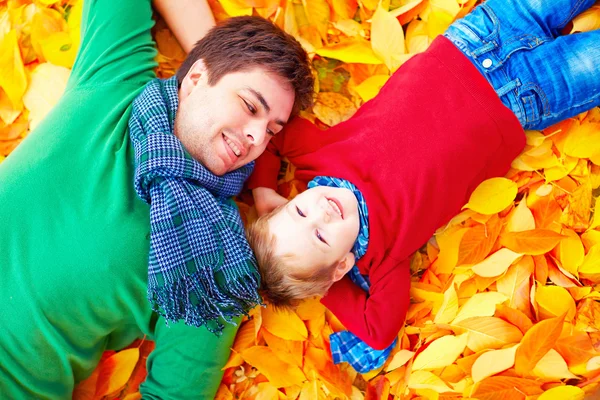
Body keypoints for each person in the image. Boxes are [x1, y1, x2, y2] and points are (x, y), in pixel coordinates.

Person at [245, 0, 600, 371]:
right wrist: (319, 283)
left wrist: (262, 190)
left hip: (473, 41)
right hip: (522, 96)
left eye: (299, 210)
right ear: (341, 266)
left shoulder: (317, 159)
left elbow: (271, 136)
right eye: (320, 237)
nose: (320, 212)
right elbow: (377, 330)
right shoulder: (382, 259)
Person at [0, 0, 313, 398]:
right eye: (250, 106)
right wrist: (214, 47)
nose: (256, 138)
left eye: (272, 130)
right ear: (196, 78)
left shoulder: (215, 256)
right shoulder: (116, 82)